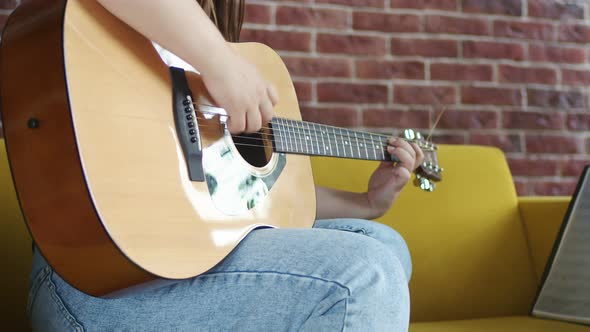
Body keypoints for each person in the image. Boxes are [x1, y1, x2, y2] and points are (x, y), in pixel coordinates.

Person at [27, 0, 424, 330]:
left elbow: (253, 201)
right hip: (99, 279)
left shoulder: (199, 46)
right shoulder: (198, 49)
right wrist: (220, 62)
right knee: (367, 272)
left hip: (177, 257)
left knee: (386, 244)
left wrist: (366, 204)